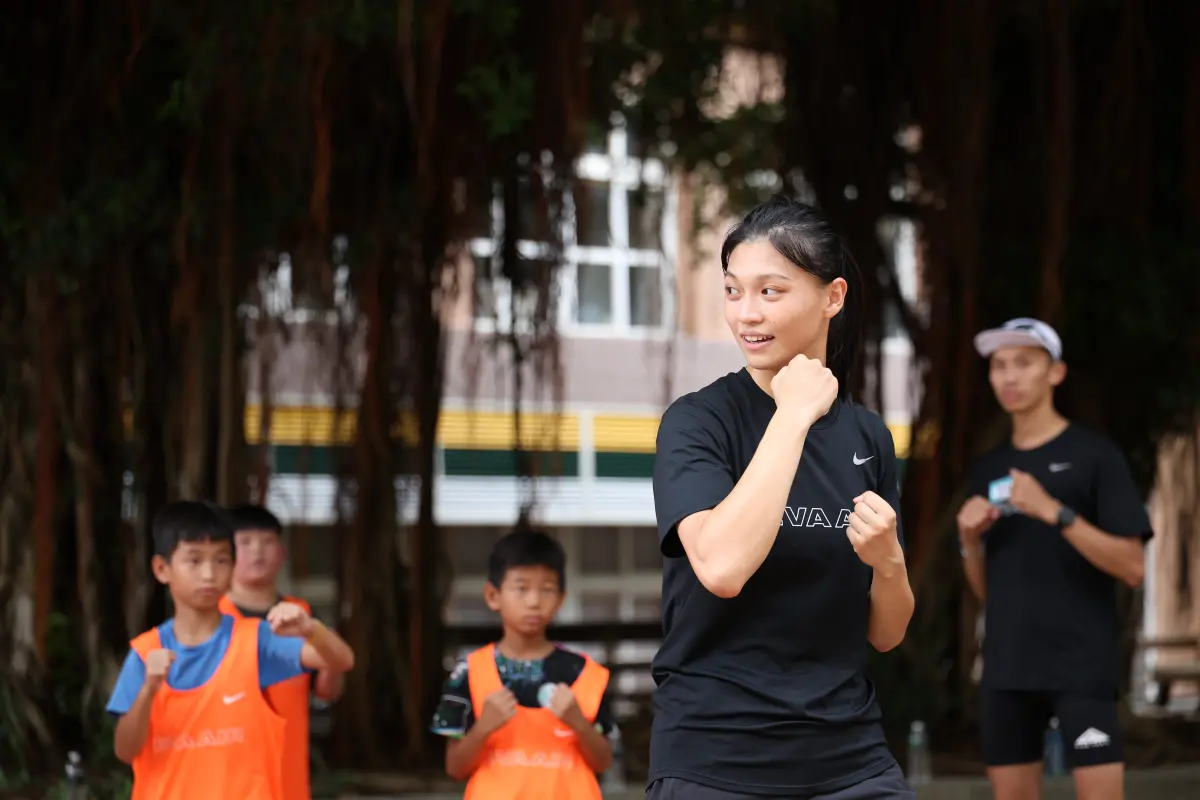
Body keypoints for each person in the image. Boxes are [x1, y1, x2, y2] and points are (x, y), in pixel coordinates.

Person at [648, 195, 916, 799]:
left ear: (833, 297)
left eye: (770, 291)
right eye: (733, 290)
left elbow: (887, 632)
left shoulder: (868, 437)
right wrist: (792, 416)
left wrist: (889, 562)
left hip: (850, 757)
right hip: (715, 758)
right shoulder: (697, 423)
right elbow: (721, 567)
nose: (746, 314)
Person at [957, 318, 1152, 800]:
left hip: (1080, 669)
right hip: (1006, 671)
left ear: (1056, 373)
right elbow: (987, 592)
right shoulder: (989, 468)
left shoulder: (1094, 457)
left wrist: (1054, 512)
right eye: (999, 366)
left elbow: (1132, 566)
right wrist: (969, 540)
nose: (1010, 376)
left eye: (1024, 363)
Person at [106, 500, 356, 800]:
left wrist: (310, 629)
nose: (210, 573)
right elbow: (125, 750)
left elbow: (342, 659)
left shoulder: (256, 640)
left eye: (221, 560)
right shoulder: (146, 653)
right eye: (194, 561)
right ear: (162, 569)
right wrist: (148, 689)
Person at [430, 526, 617, 799]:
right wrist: (483, 728)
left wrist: (579, 723)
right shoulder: (467, 673)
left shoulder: (586, 673)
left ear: (561, 599)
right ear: (493, 596)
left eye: (547, 590)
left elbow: (603, 762)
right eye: (521, 588)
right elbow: (454, 767)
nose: (533, 601)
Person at [218, 504, 343, 800]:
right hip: (224, 770)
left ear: (282, 552)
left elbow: (327, 691)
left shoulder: (302, 616)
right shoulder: (210, 617)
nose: (257, 551)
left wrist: (331, 656)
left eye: (267, 541)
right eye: (245, 542)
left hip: (286, 772)